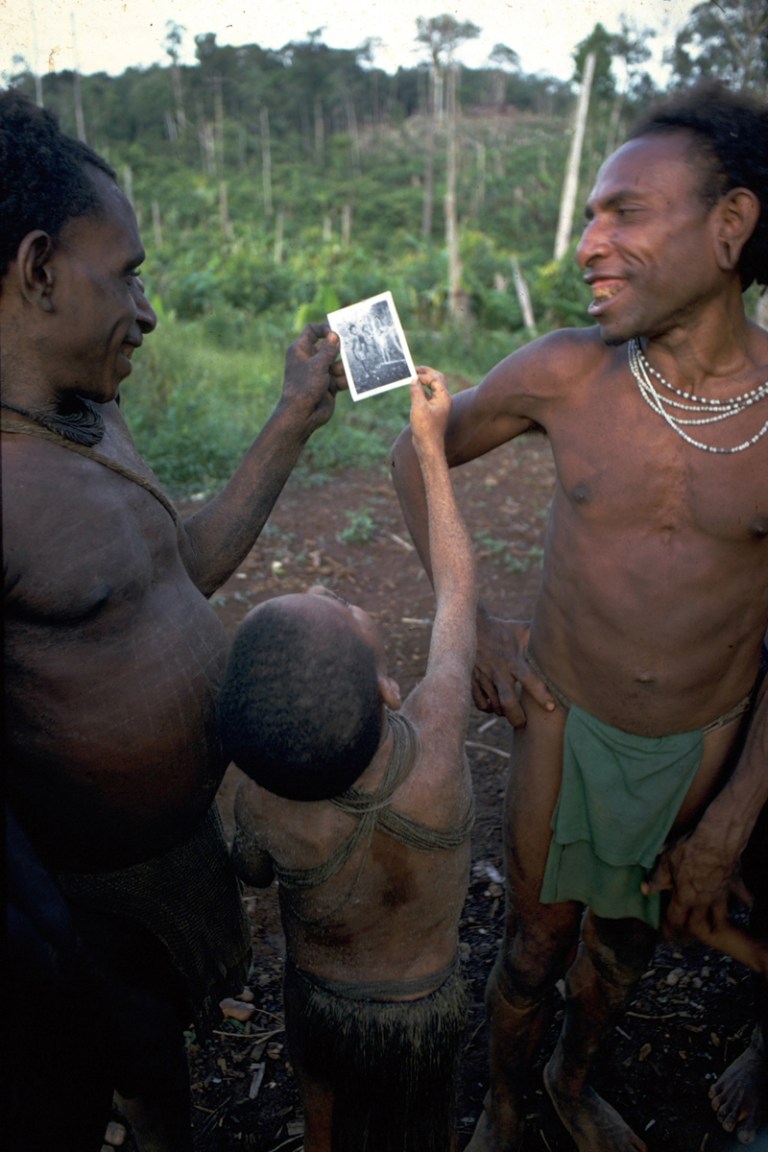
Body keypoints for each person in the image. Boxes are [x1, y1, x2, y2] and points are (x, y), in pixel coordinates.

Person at [390, 80, 768, 1152]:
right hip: (564, 722)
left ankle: (572, 1074)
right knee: (532, 946)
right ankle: (506, 1106)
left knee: (623, 952)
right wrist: (481, 614)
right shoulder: (566, 374)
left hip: (702, 742)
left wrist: (736, 811)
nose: (589, 244)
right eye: (590, 214)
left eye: (626, 212)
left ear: (731, 226)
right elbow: (412, 456)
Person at [1, 89, 345, 1152]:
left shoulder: (94, 408)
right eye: (130, 274)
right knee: (102, 1052)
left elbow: (180, 566)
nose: (147, 312)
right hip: (78, 909)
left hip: (175, 857)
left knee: (156, 1052)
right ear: (40, 268)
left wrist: (292, 418)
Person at [219, 369, 477, 1152]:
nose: (337, 593)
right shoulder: (436, 736)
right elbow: (458, 597)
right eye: (348, 615)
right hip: (426, 1003)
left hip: (327, 999)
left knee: (320, 1084)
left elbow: (255, 873)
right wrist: (430, 447)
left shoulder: (266, 805)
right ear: (391, 690)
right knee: (426, 1114)